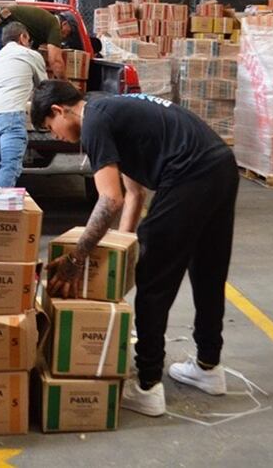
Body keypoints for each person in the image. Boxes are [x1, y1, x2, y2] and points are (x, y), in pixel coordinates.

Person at [32, 81, 238, 418]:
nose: (54, 136)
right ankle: (208, 366)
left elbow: (109, 200)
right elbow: (132, 194)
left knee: (154, 279)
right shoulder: (107, 108)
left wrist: (76, 258)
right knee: (207, 271)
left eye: (49, 127)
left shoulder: (93, 122)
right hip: (220, 165)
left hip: (189, 174)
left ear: (58, 110)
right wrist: (119, 253)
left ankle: (147, 385)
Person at [0, 22, 47, 187]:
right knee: (9, 167)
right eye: (28, 39)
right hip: (10, 119)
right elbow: (45, 89)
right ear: (22, 37)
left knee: (1, 171)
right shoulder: (31, 55)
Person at [0, 5, 66, 78]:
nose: (68, 37)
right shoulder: (55, 26)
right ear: (65, 24)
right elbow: (55, 61)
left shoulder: (41, 28)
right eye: (72, 31)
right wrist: (66, 85)